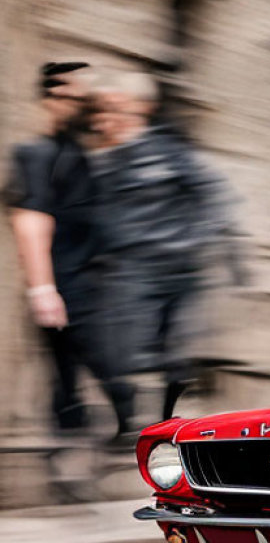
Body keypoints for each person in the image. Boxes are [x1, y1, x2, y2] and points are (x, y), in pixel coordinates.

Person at [88, 70, 236, 420]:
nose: (115, 116)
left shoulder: (169, 151)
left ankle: (164, 420)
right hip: (132, 269)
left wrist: (196, 241)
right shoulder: (107, 158)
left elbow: (213, 196)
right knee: (116, 351)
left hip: (177, 270)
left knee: (175, 355)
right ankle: (128, 419)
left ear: (141, 108)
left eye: (122, 107)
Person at [4, 61, 135, 438]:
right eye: (74, 95)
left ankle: (88, 445)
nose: (84, 104)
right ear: (52, 98)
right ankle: (78, 450)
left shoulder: (79, 154)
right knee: (80, 373)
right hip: (65, 286)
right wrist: (43, 288)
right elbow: (30, 220)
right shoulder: (37, 155)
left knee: (75, 375)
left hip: (89, 284)